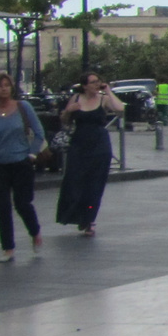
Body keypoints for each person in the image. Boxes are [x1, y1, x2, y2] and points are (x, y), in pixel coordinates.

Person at [55, 72, 125, 235]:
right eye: (93, 82)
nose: (96, 84)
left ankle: (89, 219)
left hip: (100, 145)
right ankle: (78, 216)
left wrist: (108, 91)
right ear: (84, 86)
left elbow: (120, 109)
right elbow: (65, 120)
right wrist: (68, 111)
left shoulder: (103, 99)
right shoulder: (76, 99)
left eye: (98, 82)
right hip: (79, 144)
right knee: (74, 181)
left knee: (94, 185)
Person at [0, 72, 44, 263]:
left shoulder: (23, 107)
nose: (4, 88)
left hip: (21, 162)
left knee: (22, 203)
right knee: (2, 207)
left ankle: (35, 231)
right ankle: (8, 249)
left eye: (7, 85)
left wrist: (32, 154)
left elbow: (39, 133)